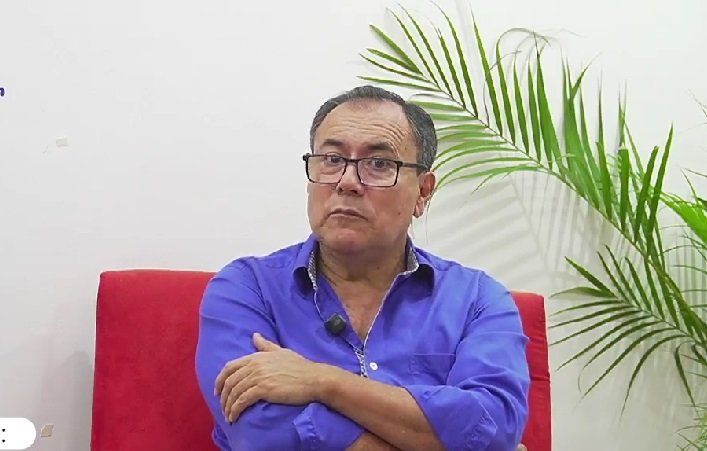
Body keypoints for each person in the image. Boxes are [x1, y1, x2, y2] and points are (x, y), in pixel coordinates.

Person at [195, 85, 530, 451]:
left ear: (423, 193)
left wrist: (323, 382)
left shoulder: (478, 300)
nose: (347, 182)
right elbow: (260, 434)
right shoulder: (248, 288)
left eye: (379, 164)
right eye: (332, 159)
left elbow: (494, 427)